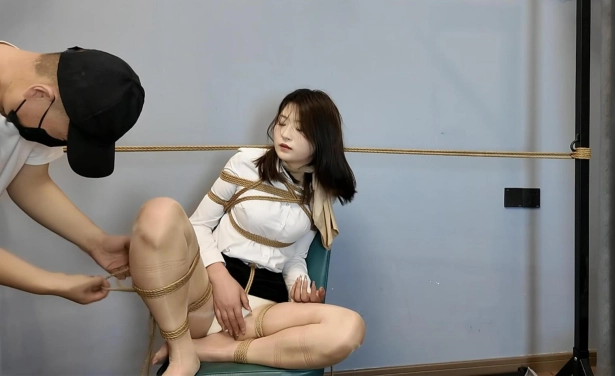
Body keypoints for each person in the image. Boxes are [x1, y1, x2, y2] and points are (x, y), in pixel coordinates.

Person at [126, 89, 365, 376]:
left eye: (300, 129)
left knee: (349, 328)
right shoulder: (246, 163)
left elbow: (294, 257)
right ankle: (185, 349)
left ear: (322, 140)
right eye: (282, 122)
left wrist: (299, 291)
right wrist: (220, 279)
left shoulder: (319, 193)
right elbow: (198, 224)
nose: (285, 134)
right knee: (159, 212)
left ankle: (206, 350)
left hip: (264, 311)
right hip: (210, 296)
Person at [0, 40, 144, 305]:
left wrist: (96, 241)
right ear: (40, 94)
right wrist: (53, 283)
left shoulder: (23, 97)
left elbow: (29, 181)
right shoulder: (29, 105)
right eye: (63, 137)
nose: (57, 143)